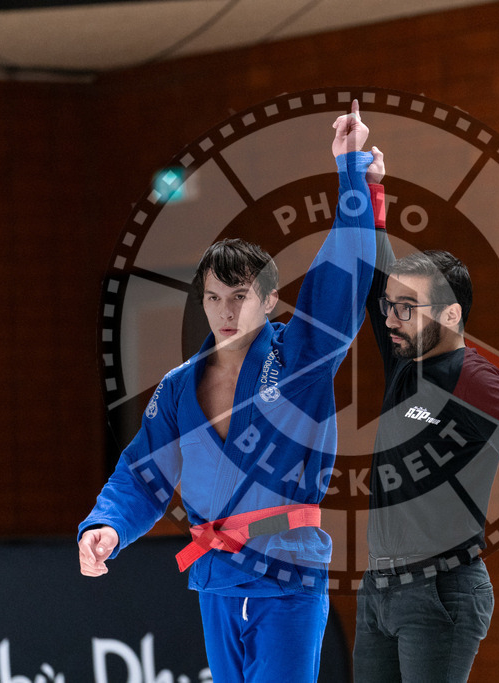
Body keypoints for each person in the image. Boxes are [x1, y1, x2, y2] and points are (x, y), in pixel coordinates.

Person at [77, 100, 383, 682]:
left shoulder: (300, 360)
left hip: (286, 573)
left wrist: (351, 174)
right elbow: (143, 472)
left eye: (240, 297)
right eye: (214, 298)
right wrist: (106, 526)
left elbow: (340, 278)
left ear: (269, 300)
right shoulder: (178, 388)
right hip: (217, 578)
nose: (225, 311)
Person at [353, 233, 499, 681]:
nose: (391, 319)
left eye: (406, 307)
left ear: (450, 314)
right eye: (388, 306)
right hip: (377, 589)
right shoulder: (405, 361)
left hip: (439, 592)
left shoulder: (474, 379)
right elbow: (375, 257)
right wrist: (362, 195)